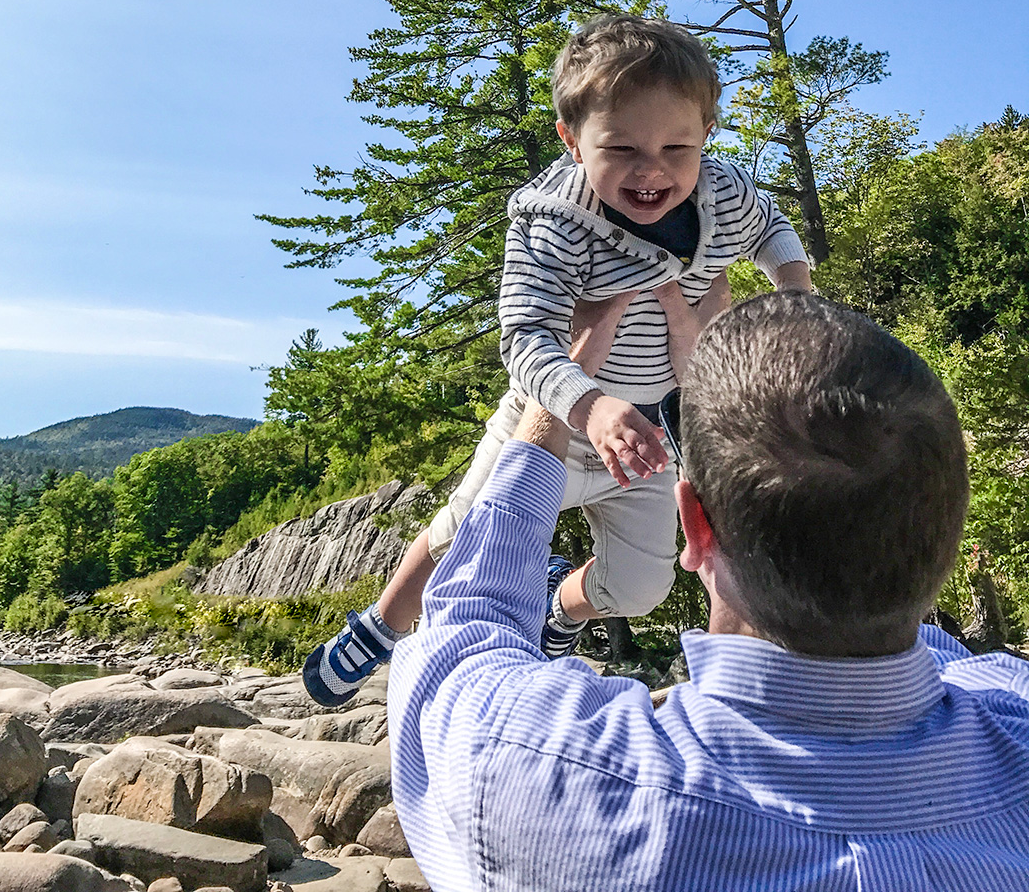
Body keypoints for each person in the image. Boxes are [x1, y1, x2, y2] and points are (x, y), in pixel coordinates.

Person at [388, 291, 1029, 892]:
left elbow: (458, 636)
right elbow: (952, 660)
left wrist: (559, 380)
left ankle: (559, 601)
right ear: (947, 536)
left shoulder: (562, 775)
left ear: (693, 526)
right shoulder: (1010, 711)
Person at [303, 14, 812, 708]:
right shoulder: (552, 221)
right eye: (622, 147)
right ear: (573, 141)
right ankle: (383, 624)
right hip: (556, 421)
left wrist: (797, 296)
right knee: (463, 533)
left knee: (643, 587)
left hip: (646, 438)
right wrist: (592, 405)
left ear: (707, 135)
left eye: (676, 146)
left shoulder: (721, 194)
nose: (651, 170)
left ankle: (560, 607)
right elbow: (524, 341)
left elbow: (773, 229)